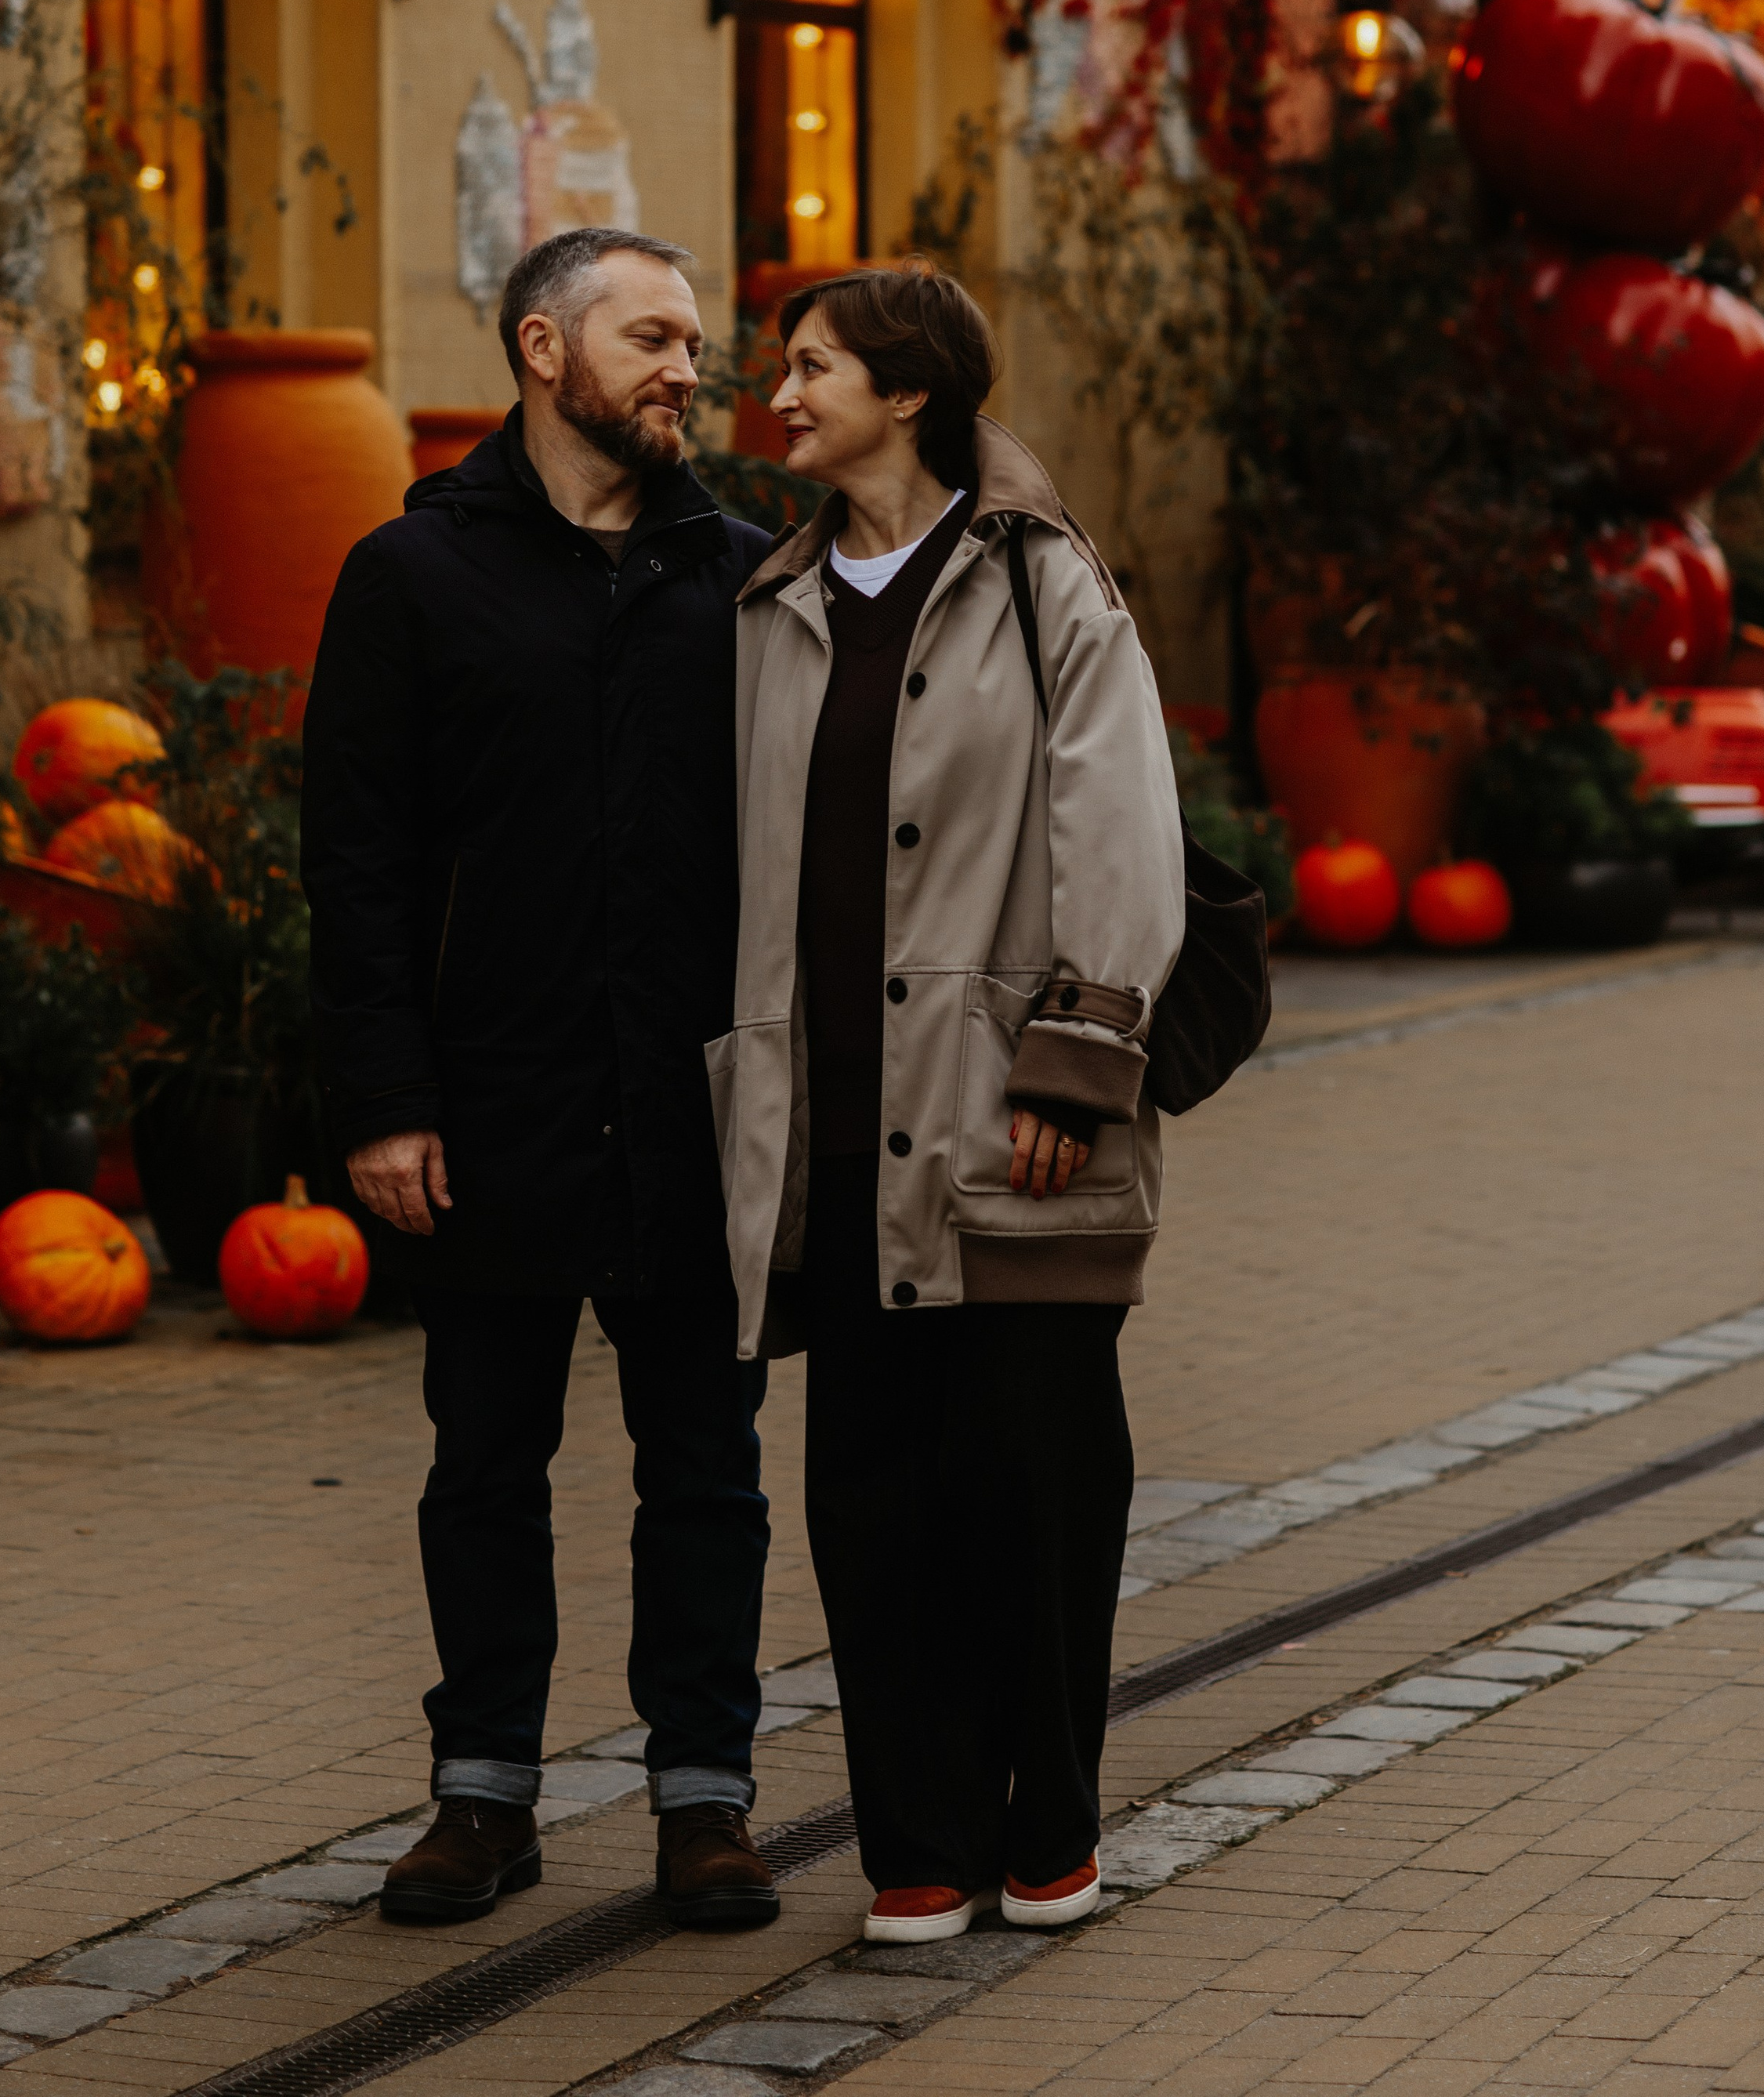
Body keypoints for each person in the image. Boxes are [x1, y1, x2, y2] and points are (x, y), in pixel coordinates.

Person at [300, 227, 781, 1935]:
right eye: (650, 336)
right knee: (482, 1462)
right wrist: (380, 1096)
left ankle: (703, 1799)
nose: (685, 368)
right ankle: (480, 1796)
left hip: (689, 1104)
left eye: (693, 343)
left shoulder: (742, 574)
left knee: (705, 1469)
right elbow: (352, 861)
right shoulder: (411, 578)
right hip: (487, 1106)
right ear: (538, 350)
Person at [710, 263, 1185, 1943]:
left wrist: (1077, 1058)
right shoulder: (769, 605)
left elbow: (1118, 819)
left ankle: (1047, 1823)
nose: (779, 391)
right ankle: (913, 1837)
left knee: (1033, 1480)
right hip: (833, 1127)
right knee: (871, 1493)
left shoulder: (1034, 578)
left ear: (909, 393)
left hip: (1010, 1117)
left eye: (812, 363)